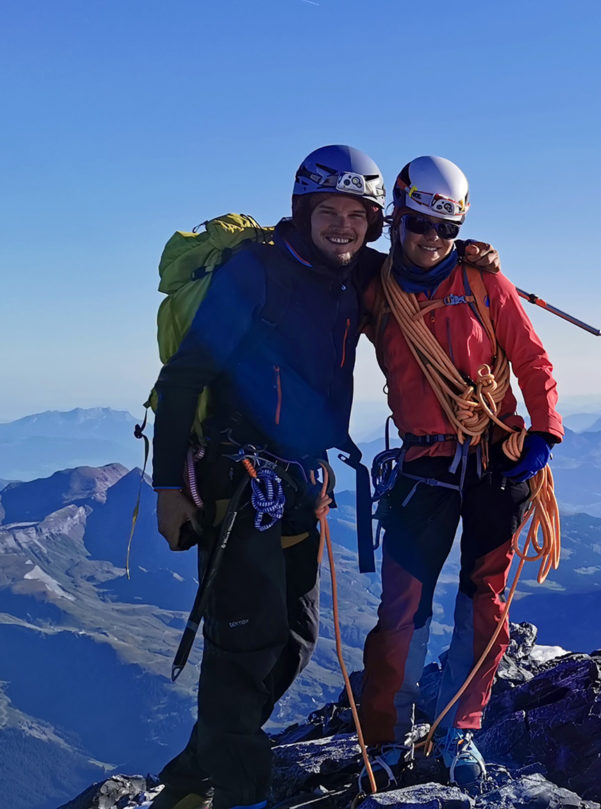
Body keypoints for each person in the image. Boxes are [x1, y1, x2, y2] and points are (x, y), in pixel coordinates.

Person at [149, 145, 389, 809]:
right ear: (304, 210)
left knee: (294, 639)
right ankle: (238, 793)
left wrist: (473, 254)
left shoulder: (357, 272)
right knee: (245, 643)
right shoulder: (257, 274)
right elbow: (185, 376)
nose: (343, 225)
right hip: (237, 483)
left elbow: (430, 267)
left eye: (357, 213)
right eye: (329, 211)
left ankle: (193, 775)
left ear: (371, 221)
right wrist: (168, 486)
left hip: (300, 484)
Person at [355, 156, 562, 787]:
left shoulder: (481, 283)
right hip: (423, 462)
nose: (431, 240)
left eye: (446, 230)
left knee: (485, 602)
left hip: (493, 456)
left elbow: (531, 358)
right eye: (420, 224)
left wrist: (545, 428)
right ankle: (387, 740)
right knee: (402, 609)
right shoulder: (374, 288)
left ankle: (459, 728)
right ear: (397, 217)